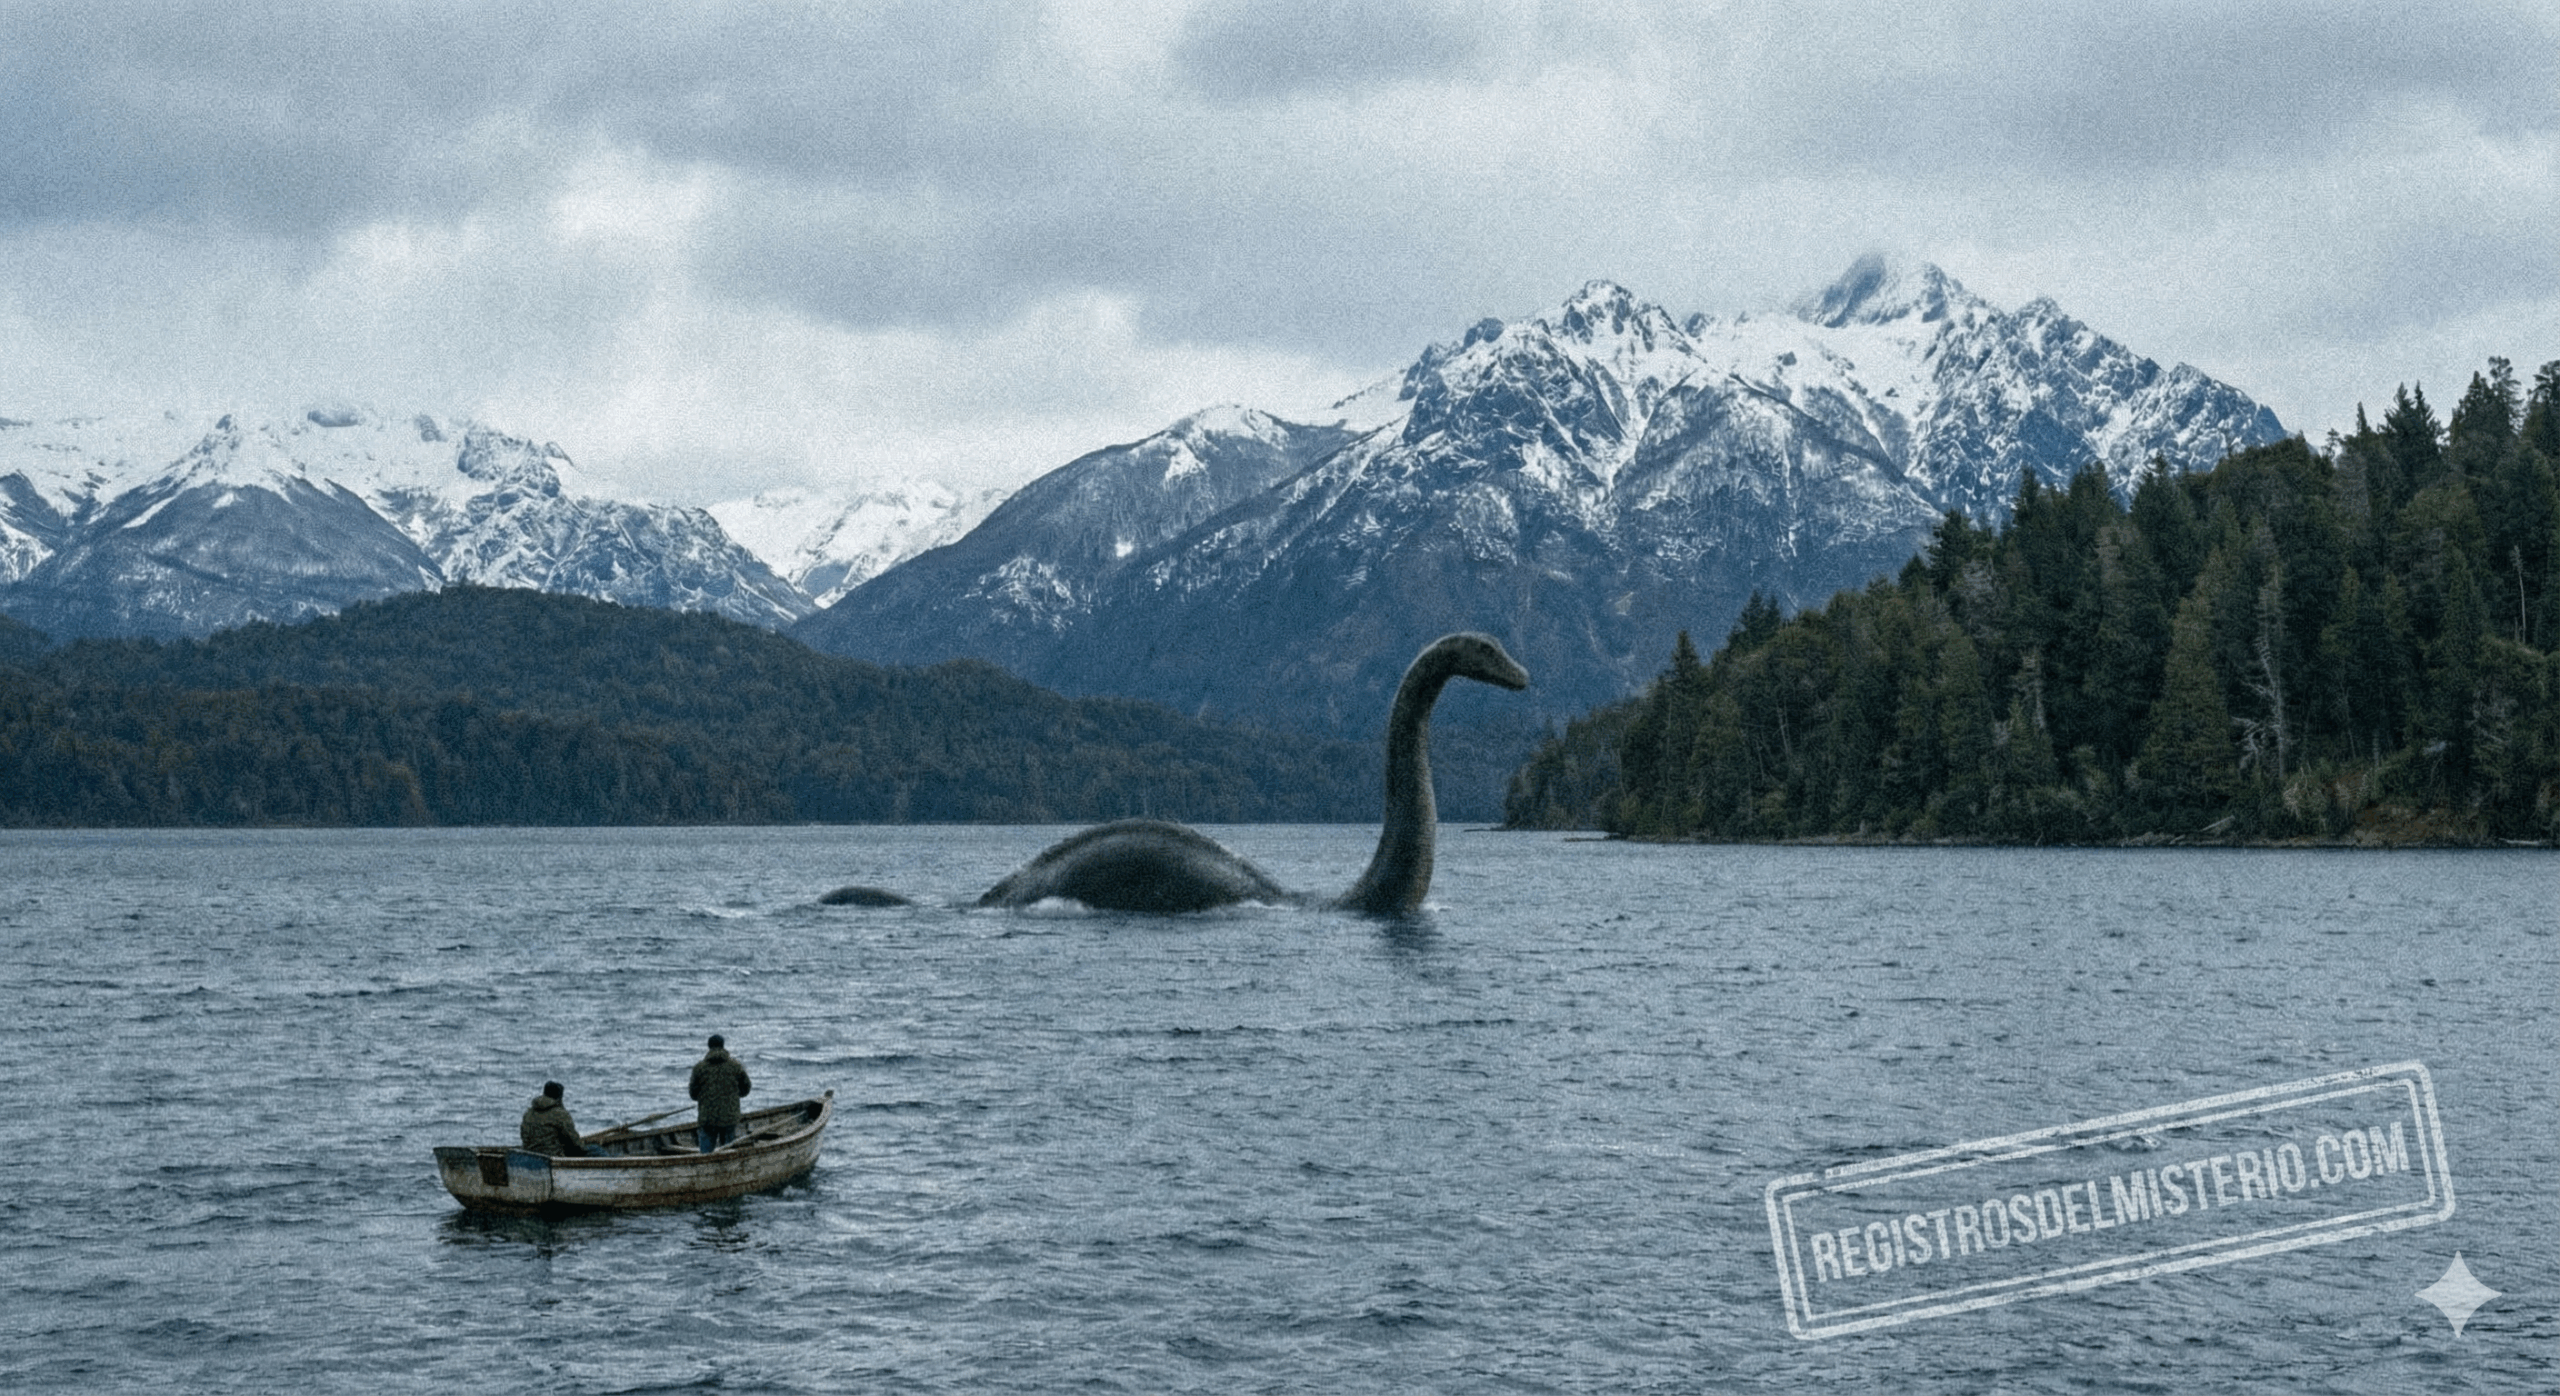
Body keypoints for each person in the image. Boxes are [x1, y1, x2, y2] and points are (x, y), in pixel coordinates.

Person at [689, 1034, 752, 1153]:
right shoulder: (735, 1066)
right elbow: (746, 1088)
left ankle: (705, 1168)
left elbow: (693, 1094)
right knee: (728, 1152)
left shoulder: (699, 1068)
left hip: (707, 1118)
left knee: (705, 1155)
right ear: (723, 1046)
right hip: (729, 1117)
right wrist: (734, 1096)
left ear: (709, 1047)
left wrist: (705, 1098)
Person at [519, 1080, 589, 1157]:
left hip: (530, 1154)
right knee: (597, 1150)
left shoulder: (529, 1113)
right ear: (559, 1096)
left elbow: (524, 1137)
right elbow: (575, 1143)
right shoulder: (560, 1114)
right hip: (553, 1157)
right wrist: (584, 1147)